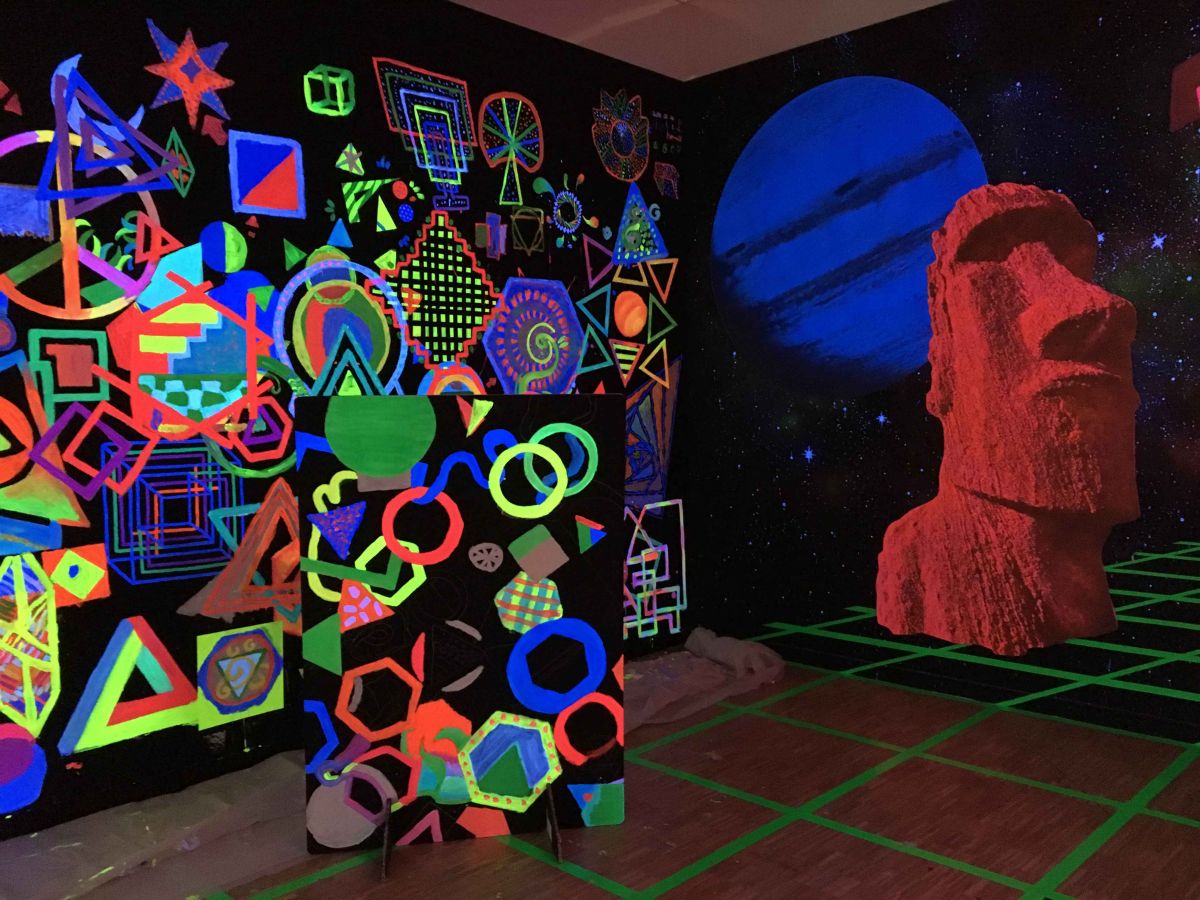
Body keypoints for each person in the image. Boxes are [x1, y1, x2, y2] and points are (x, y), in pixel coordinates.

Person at [876, 183, 1139, 656]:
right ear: (944, 350)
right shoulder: (924, 557)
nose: (1102, 305)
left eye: (1078, 265)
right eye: (995, 261)